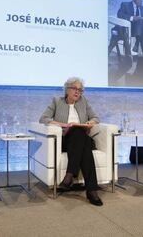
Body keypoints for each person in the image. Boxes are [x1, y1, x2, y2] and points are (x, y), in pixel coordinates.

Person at [39, 77, 103, 206]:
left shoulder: (83, 101)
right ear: (67, 89)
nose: (78, 92)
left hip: (82, 138)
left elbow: (96, 118)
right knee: (78, 135)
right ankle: (92, 191)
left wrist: (88, 124)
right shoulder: (57, 101)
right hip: (65, 140)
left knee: (79, 132)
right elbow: (43, 118)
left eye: (80, 90)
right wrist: (65, 125)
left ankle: (69, 176)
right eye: (75, 88)